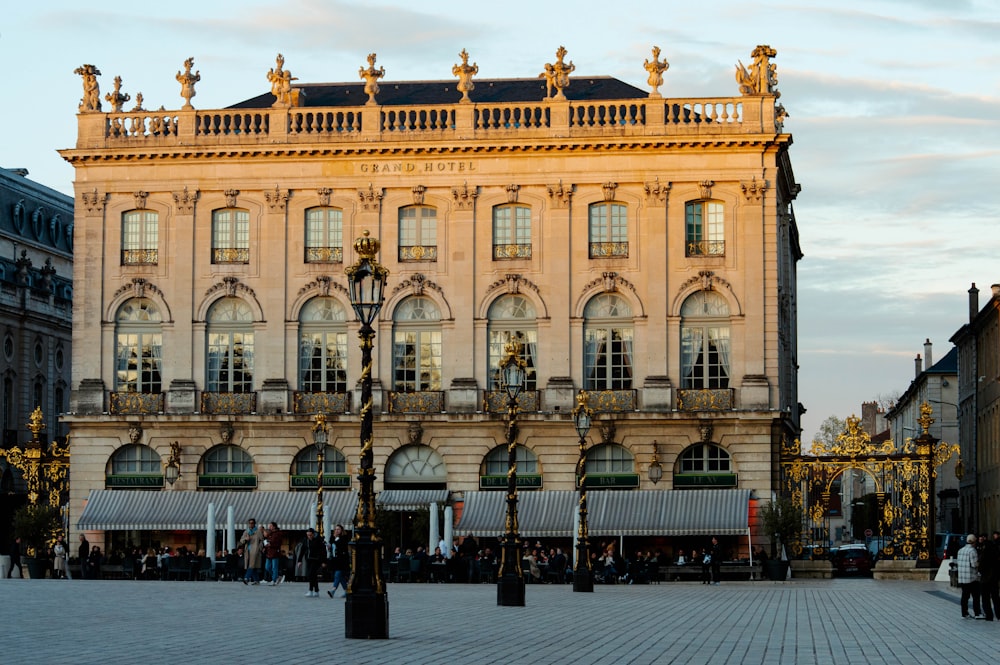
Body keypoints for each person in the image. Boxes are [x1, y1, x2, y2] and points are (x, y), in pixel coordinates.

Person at [957, 533, 982, 619]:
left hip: (963, 577)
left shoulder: (960, 550)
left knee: (965, 596)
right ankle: (977, 613)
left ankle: (964, 613)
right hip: (972, 578)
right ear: (974, 542)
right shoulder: (972, 551)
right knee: (976, 596)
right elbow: (974, 564)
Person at [298, 528, 326, 597]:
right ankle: (316, 590)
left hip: (316, 560)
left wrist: (323, 561)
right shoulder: (306, 540)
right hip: (309, 559)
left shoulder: (318, 541)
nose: (309, 537)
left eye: (310, 535)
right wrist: (299, 560)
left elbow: (323, 551)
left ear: (313, 534)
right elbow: (302, 550)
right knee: (313, 575)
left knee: (311, 574)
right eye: (308, 535)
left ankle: (311, 590)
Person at [977, 533, 997, 621]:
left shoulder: (984, 554)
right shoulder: (995, 554)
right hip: (994, 578)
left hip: (985, 578)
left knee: (985, 598)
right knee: (995, 597)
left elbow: (981, 567)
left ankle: (989, 615)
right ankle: (998, 614)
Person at [239, 518, 265, 585]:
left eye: (252, 523)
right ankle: (256, 580)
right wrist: (246, 539)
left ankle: (246, 578)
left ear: (254, 524)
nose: (251, 524)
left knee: (252, 565)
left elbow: (262, 540)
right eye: (250, 523)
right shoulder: (246, 531)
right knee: (253, 566)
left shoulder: (258, 532)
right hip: (248, 550)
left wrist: (259, 548)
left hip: (255, 550)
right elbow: (241, 540)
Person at [327, 524, 349, 598]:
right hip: (335, 560)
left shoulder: (344, 538)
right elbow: (331, 548)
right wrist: (329, 547)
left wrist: (335, 541)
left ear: (341, 530)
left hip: (342, 560)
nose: (337, 530)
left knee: (337, 575)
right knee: (341, 577)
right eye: (336, 529)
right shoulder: (332, 538)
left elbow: (341, 546)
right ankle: (347, 591)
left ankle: (333, 590)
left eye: (338, 529)